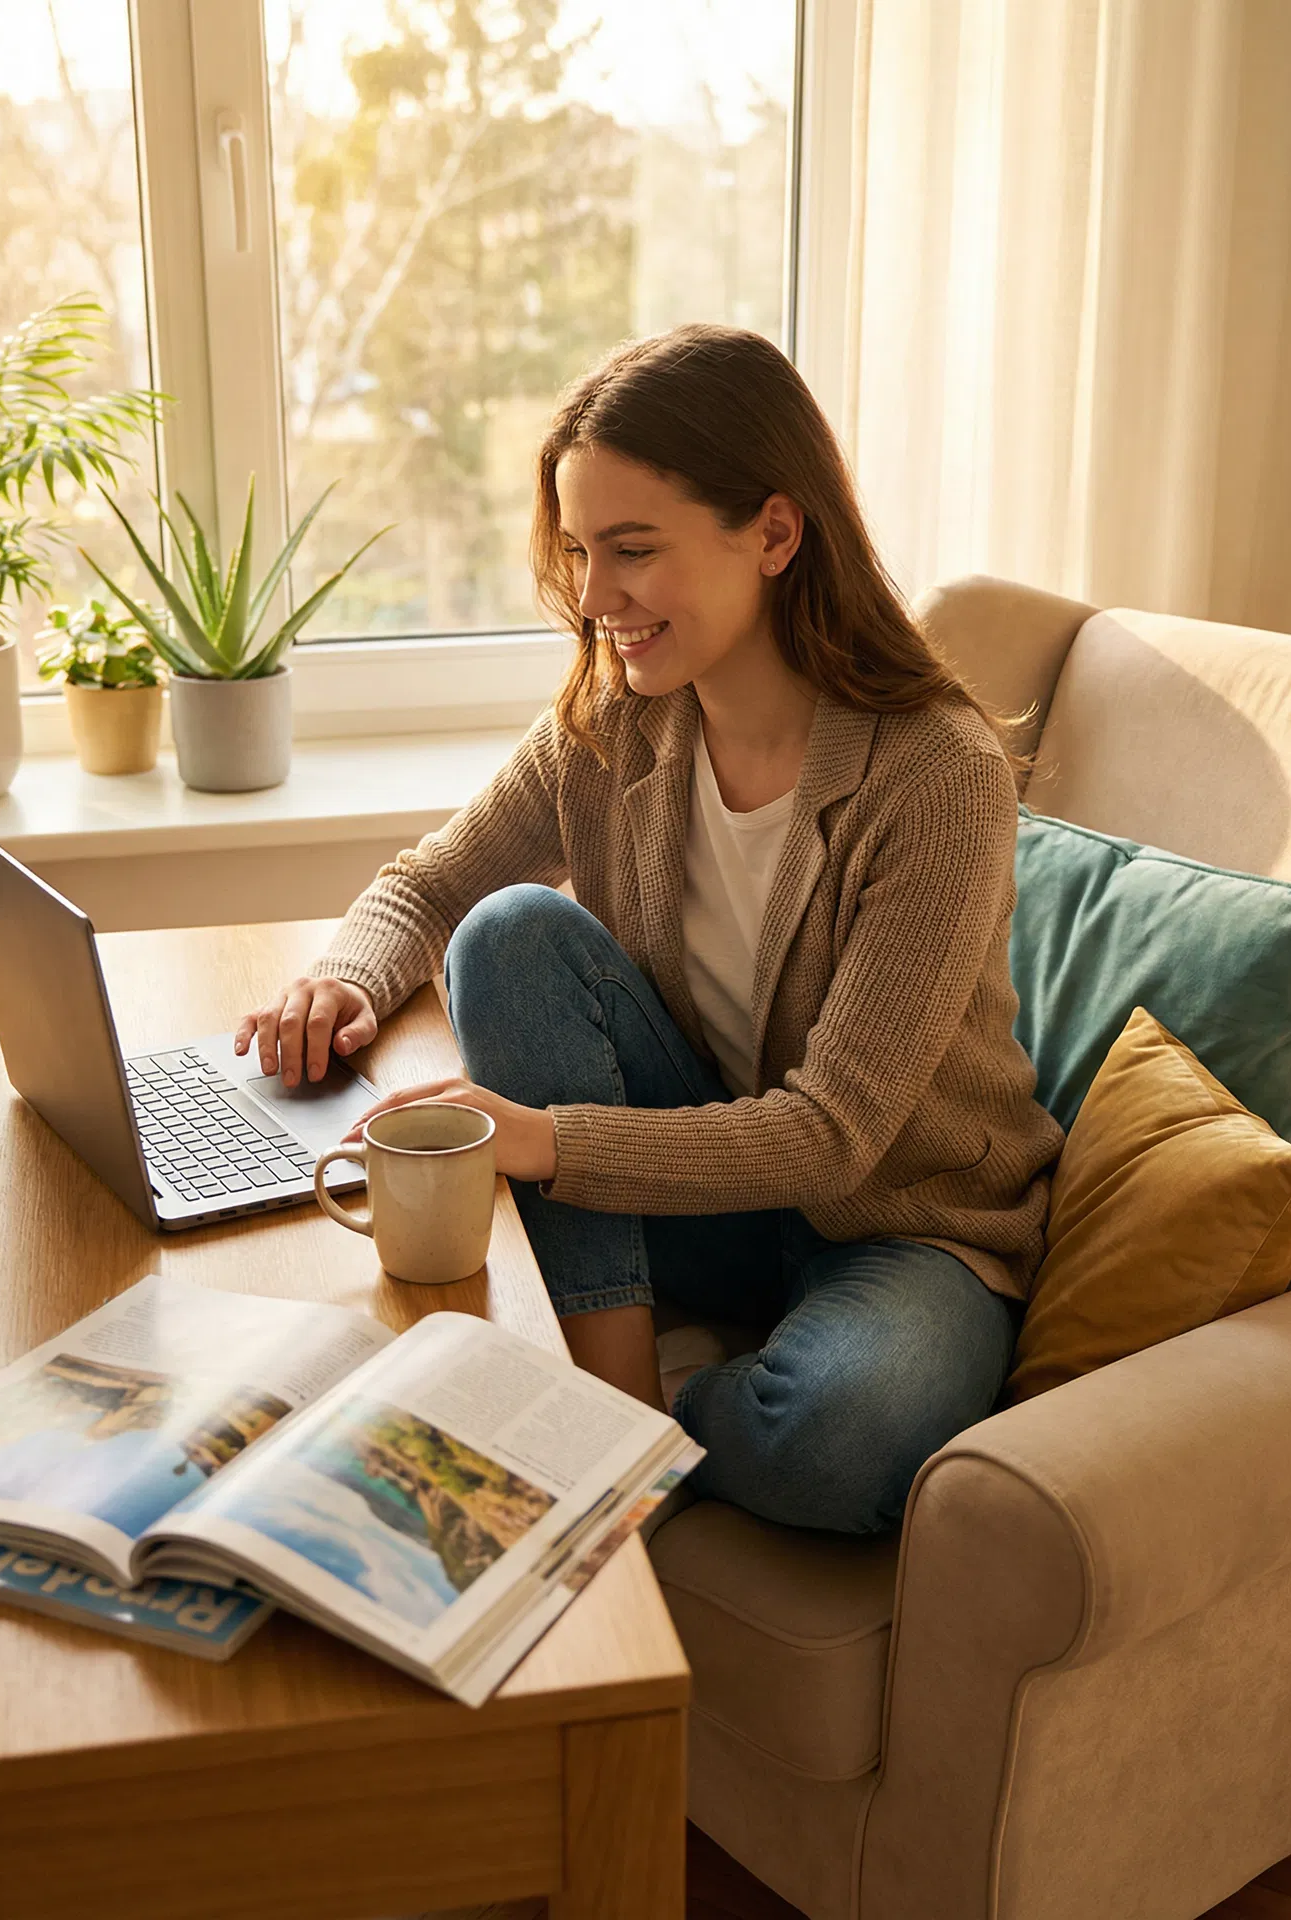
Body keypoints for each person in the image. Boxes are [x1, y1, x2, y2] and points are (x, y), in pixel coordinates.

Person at [235, 324, 1064, 1536]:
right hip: (701, 1200)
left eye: (632, 551)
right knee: (513, 931)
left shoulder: (938, 776)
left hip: (903, 1223)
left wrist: (542, 1143)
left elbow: (832, 1139)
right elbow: (430, 886)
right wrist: (344, 983)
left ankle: (637, 1428)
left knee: (833, 1436)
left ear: (775, 534)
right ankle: (607, 1411)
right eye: (577, 551)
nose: (591, 598)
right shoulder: (615, 721)